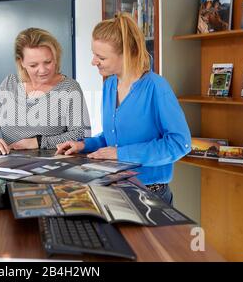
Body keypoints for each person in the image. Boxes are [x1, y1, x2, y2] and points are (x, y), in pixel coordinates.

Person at [55, 12, 191, 205]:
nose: (93, 61)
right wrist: (85, 145)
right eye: (94, 54)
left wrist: (121, 154)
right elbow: (113, 138)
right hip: (115, 189)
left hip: (150, 195)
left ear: (126, 54)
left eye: (101, 56)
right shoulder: (110, 85)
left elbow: (180, 143)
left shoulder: (156, 87)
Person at [0, 27, 91, 155]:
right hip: (9, 166)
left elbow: (81, 134)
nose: (43, 70)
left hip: (51, 168)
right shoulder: (10, 83)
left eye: (48, 62)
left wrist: (39, 142)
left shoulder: (69, 88)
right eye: (34, 65)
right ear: (21, 62)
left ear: (56, 57)